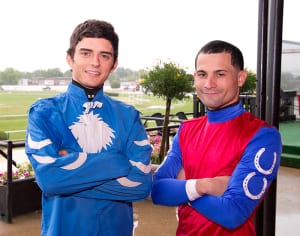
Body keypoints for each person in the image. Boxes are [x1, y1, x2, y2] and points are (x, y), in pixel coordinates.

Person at [25, 19, 152, 236]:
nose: (95, 62)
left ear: (114, 64)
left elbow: (141, 184)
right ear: (70, 58)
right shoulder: (45, 112)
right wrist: (115, 161)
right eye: (85, 53)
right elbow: (50, 180)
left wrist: (70, 172)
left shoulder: (128, 116)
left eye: (104, 56)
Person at [151, 40, 282, 235]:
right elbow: (158, 191)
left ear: (240, 78)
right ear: (195, 77)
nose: (209, 84)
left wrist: (182, 188)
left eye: (220, 74)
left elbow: (232, 212)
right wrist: (205, 185)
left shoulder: (262, 135)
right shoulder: (186, 129)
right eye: (202, 74)